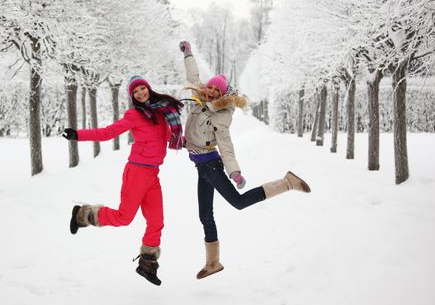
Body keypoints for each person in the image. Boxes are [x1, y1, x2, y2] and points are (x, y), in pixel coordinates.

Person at [178, 41, 311, 279]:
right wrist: (188, 53)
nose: (210, 92)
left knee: (238, 203)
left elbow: (226, 147)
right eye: (209, 88)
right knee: (205, 215)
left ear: (222, 96)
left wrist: (234, 172)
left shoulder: (221, 116)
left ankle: (287, 183)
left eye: (216, 92)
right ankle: (213, 263)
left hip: (212, 165)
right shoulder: (197, 96)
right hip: (201, 168)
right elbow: (192, 74)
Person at [62, 75, 184, 286]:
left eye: (142, 89)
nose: (140, 93)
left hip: (153, 174)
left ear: (148, 87)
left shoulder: (162, 113)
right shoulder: (135, 115)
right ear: (133, 97)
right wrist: (78, 135)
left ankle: (147, 264)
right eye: (135, 92)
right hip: (136, 172)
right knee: (124, 217)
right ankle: (83, 214)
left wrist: (203, 144)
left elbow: (170, 139)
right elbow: (108, 133)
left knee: (156, 220)